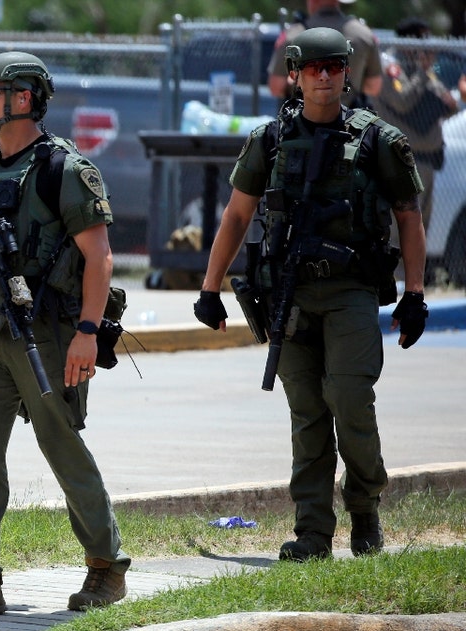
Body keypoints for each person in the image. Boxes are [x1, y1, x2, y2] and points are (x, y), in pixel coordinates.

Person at [194, 28, 428, 562]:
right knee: (306, 413)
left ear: (347, 72)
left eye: (334, 66)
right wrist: (210, 288)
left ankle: (364, 507)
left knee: (348, 400)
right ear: (294, 74)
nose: (324, 76)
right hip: (289, 296)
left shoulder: (378, 141)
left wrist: (415, 294)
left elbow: (408, 218)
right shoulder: (269, 140)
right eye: (313, 67)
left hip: (350, 291)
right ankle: (313, 533)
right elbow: (237, 215)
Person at [0, 51, 131, 617]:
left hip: (50, 337)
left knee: (61, 444)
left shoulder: (65, 169)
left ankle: (107, 567)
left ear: (25, 98)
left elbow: (100, 259)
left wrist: (87, 331)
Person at [374, 17, 466, 222]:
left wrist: (457, 98)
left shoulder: (422, 68)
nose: (427, 46)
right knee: (401, 231)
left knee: (420, 229)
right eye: (422, 39)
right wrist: (423, 73)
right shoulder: (391, 66)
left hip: (427, 161)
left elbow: (446, 104)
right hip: (402, 159)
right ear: (409, 40)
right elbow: (403, 101)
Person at [268, 0, 382, 108]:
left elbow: (276, 87)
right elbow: (374, 87)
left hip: (302, 123)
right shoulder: (364, 35)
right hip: (350, 123)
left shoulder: (292, 35)